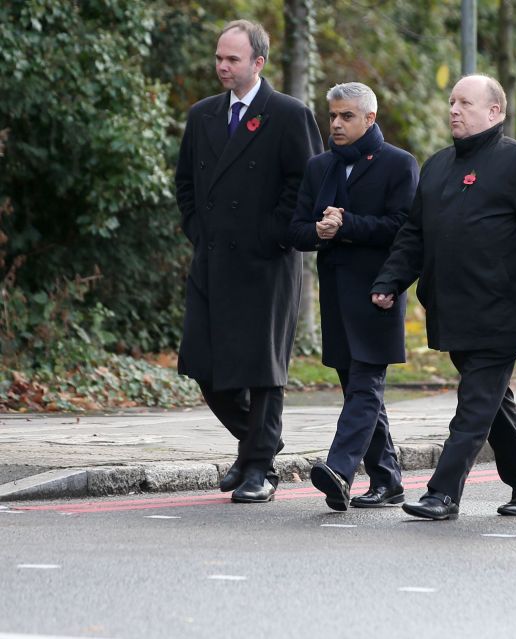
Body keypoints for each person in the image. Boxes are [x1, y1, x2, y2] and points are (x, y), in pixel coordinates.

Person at [370, 74, 516, 520]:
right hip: (451, 309)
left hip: (500, 311)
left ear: (494, 112)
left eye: (466, 103)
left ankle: (442, 493)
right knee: (493, 405)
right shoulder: (437, 165)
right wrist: (390, 280)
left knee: (474, 407)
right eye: (452, 102)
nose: (454, 110)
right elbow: (414, 235)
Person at [175, 20, 323, 503]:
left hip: (265, 263)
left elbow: (306, 184)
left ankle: (259, 468)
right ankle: (258, 442)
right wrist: (199, 232)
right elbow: (186, 186)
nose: (222, 66)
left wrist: (272, 235)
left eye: (232, 59)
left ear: (258, 63)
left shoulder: (287, 113)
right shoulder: (202, 116)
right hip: (213, 260)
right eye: (219, 57)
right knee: (202, 364)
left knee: (262, 371)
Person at [289, 82, 419, 511]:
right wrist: (319, 231)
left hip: (378, 291)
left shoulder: (399, 164)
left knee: (366, 384)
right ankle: (388, 479)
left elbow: (402, 227)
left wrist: (347, 225)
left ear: (370, 119)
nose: (337, 124)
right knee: (357, 388)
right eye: (332, 116)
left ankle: (339, 470)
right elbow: (296, 230)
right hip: (337, 296)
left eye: (347, 116)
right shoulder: (319, 167)